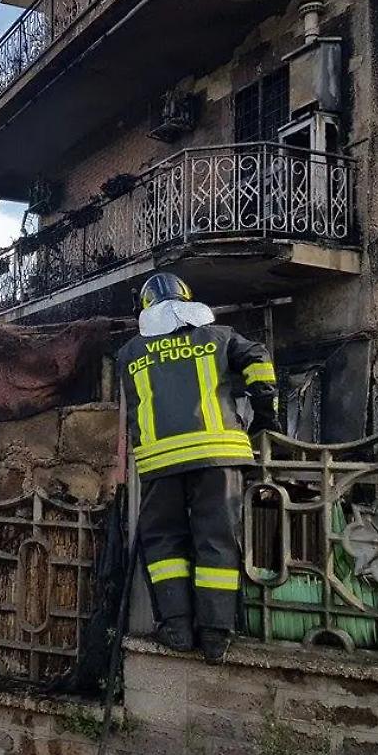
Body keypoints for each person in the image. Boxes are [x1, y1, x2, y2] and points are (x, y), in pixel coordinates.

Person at [117, 273, 279, 663]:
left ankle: (176, 628)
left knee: (163, 544)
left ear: (145, 308)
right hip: (219, 456)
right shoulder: (220, 337)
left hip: (160, 461)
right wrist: (265, 415)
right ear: (188, 299)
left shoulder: (129, 352)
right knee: (217, 539)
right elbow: (259, 359)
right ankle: (216, 635)